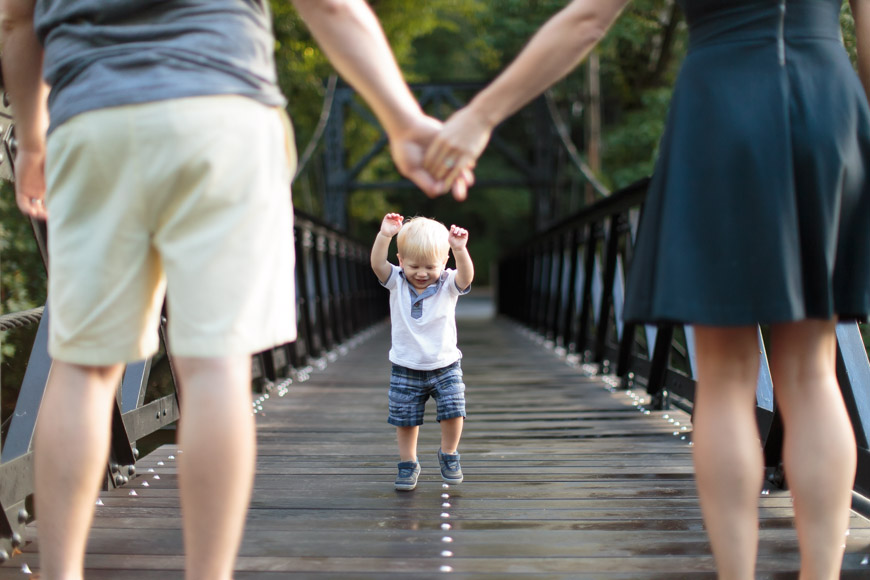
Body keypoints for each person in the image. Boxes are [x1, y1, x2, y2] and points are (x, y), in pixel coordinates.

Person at [0, 0, 470, 579]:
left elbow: (16, 20)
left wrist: (33, 138)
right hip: (227, 116)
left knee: (83, 367)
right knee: (215, 367)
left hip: (94, 119)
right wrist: (402, 120)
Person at [423, 0, 869, 578]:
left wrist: (480, 116)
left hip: (721, 108)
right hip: (826, 103)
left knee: (727, 379)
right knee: (812, 371)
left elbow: (587, 20)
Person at [371, 213, 474, 491]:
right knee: (405, 419)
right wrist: (385, 235)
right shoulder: (396, 281)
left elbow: (466, 277)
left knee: (454, 410)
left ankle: (449, 453)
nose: (421, 273)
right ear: (401, 261)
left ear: (444, 263)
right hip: (406, 365)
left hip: (445, 364)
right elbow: (377, 263)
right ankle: (408, 462)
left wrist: (459, 249)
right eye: (413, 265)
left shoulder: (447, 284)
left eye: (430, 266)